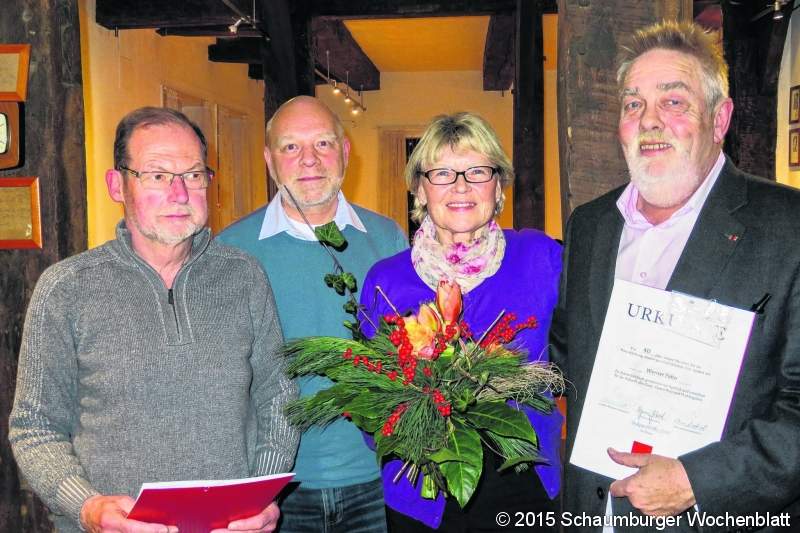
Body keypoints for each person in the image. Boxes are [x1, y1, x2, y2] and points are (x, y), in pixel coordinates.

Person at [551, 20, 800, 531]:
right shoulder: (590, 226)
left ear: (719, 118)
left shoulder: (788, 226)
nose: (649, 120)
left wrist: (698, 481)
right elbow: (567, 353)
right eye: (633, 104)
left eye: (673, 101)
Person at [9, 107, 299, 533]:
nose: (179, 193)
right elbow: (34, 426)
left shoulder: (244, 276)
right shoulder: (66, 288)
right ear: (117, 185)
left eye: (193, 174)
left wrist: (260, 495)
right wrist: (87, 507)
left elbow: (279, 396)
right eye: (158, 175)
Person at [359, 112, 563, 531]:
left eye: (477, 171)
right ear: (420, 188)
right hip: (421, 491)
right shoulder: (386, 280)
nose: (461, 186)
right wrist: (415, 427)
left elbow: (583, 349)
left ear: (498, 185)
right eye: (442, 173)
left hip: (525, 484)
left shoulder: (541, 258)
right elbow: (368, 397)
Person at [217, 96, 407, 533]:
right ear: (269, 160)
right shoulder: (231, 250)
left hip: (378, 479)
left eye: (323, 143)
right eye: (291, 147)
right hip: (273, 488)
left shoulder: (387, 239)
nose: (309, 159)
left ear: (345, 151)